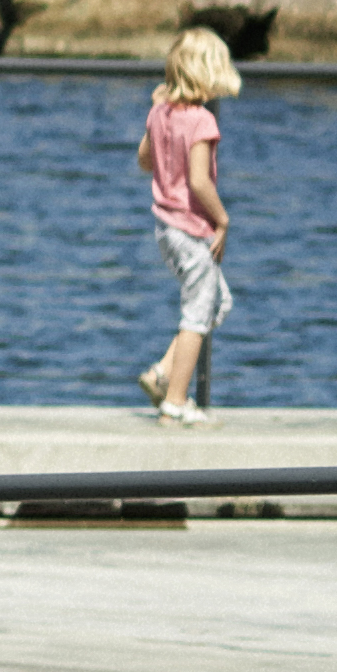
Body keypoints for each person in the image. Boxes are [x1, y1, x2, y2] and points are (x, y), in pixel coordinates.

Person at [134, 27, 239, 423]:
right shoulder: (201, 122)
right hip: (192, 230)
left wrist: (154, 121)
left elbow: (145, 161)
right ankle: (175, 402)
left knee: (216, 301)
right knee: (197, 313)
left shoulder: (160, 114)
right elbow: (199, 181)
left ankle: (163, 372)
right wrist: (223, 220)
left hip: (165, 228)